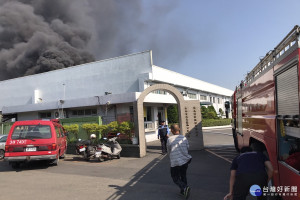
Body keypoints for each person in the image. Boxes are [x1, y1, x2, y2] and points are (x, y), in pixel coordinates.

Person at [167, 124, 192, 199]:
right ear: (179, 129)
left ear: (171, 130)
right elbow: (187, 147)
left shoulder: (170, 139)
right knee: (183, 175)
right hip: (185, 160)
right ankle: (183, 191)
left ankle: (184, 187)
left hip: (175, 162)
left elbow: (168, 150)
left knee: (175, 177)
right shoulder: (184, 138)